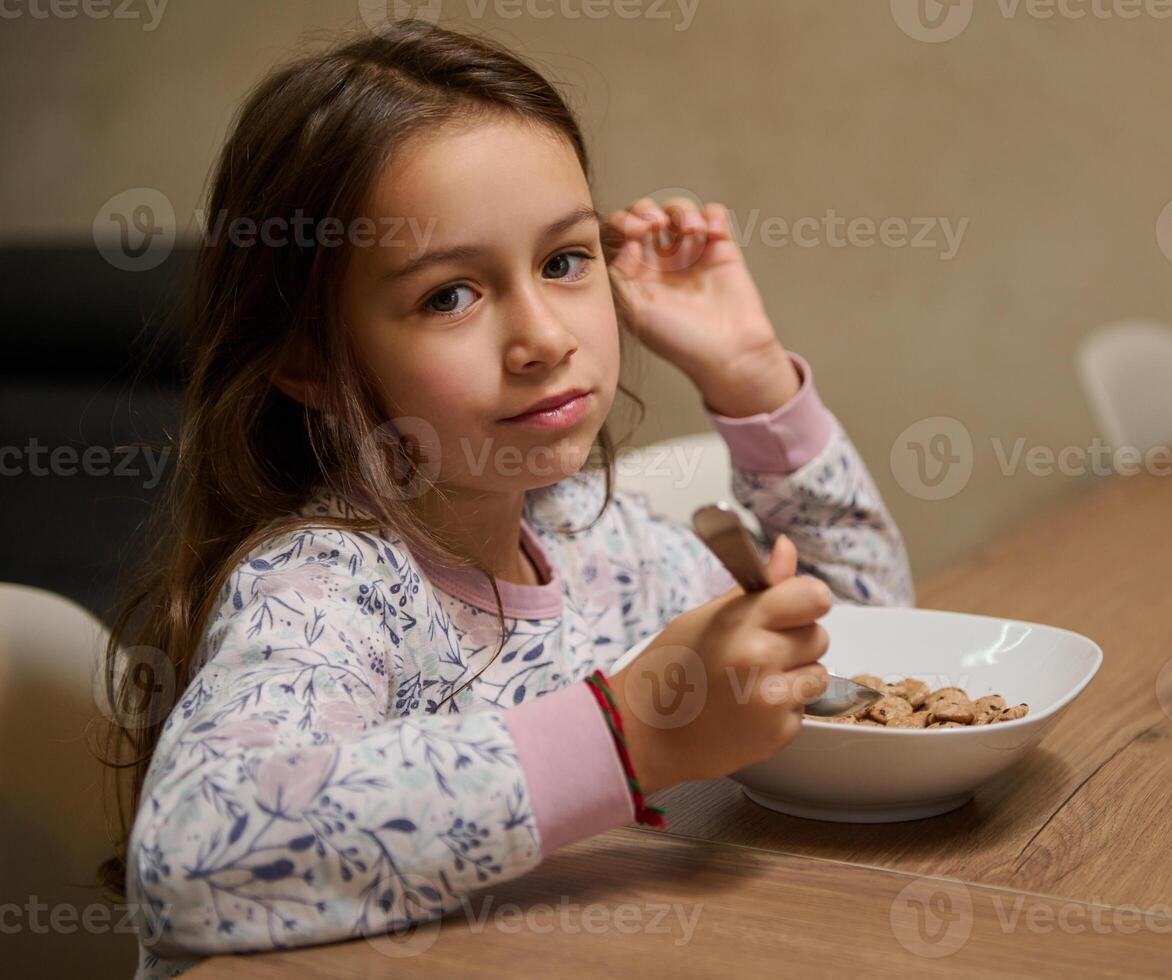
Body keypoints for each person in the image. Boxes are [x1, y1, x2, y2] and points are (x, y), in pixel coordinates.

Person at [99, 20, 912, 979]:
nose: (541, 336)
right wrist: (635, 734)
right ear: (309, 360)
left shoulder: (595, 538)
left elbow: (860, 658)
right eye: (449, 296)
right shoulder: (325, 586)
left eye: (565, 262)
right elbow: (189, 862)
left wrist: (753, 380)